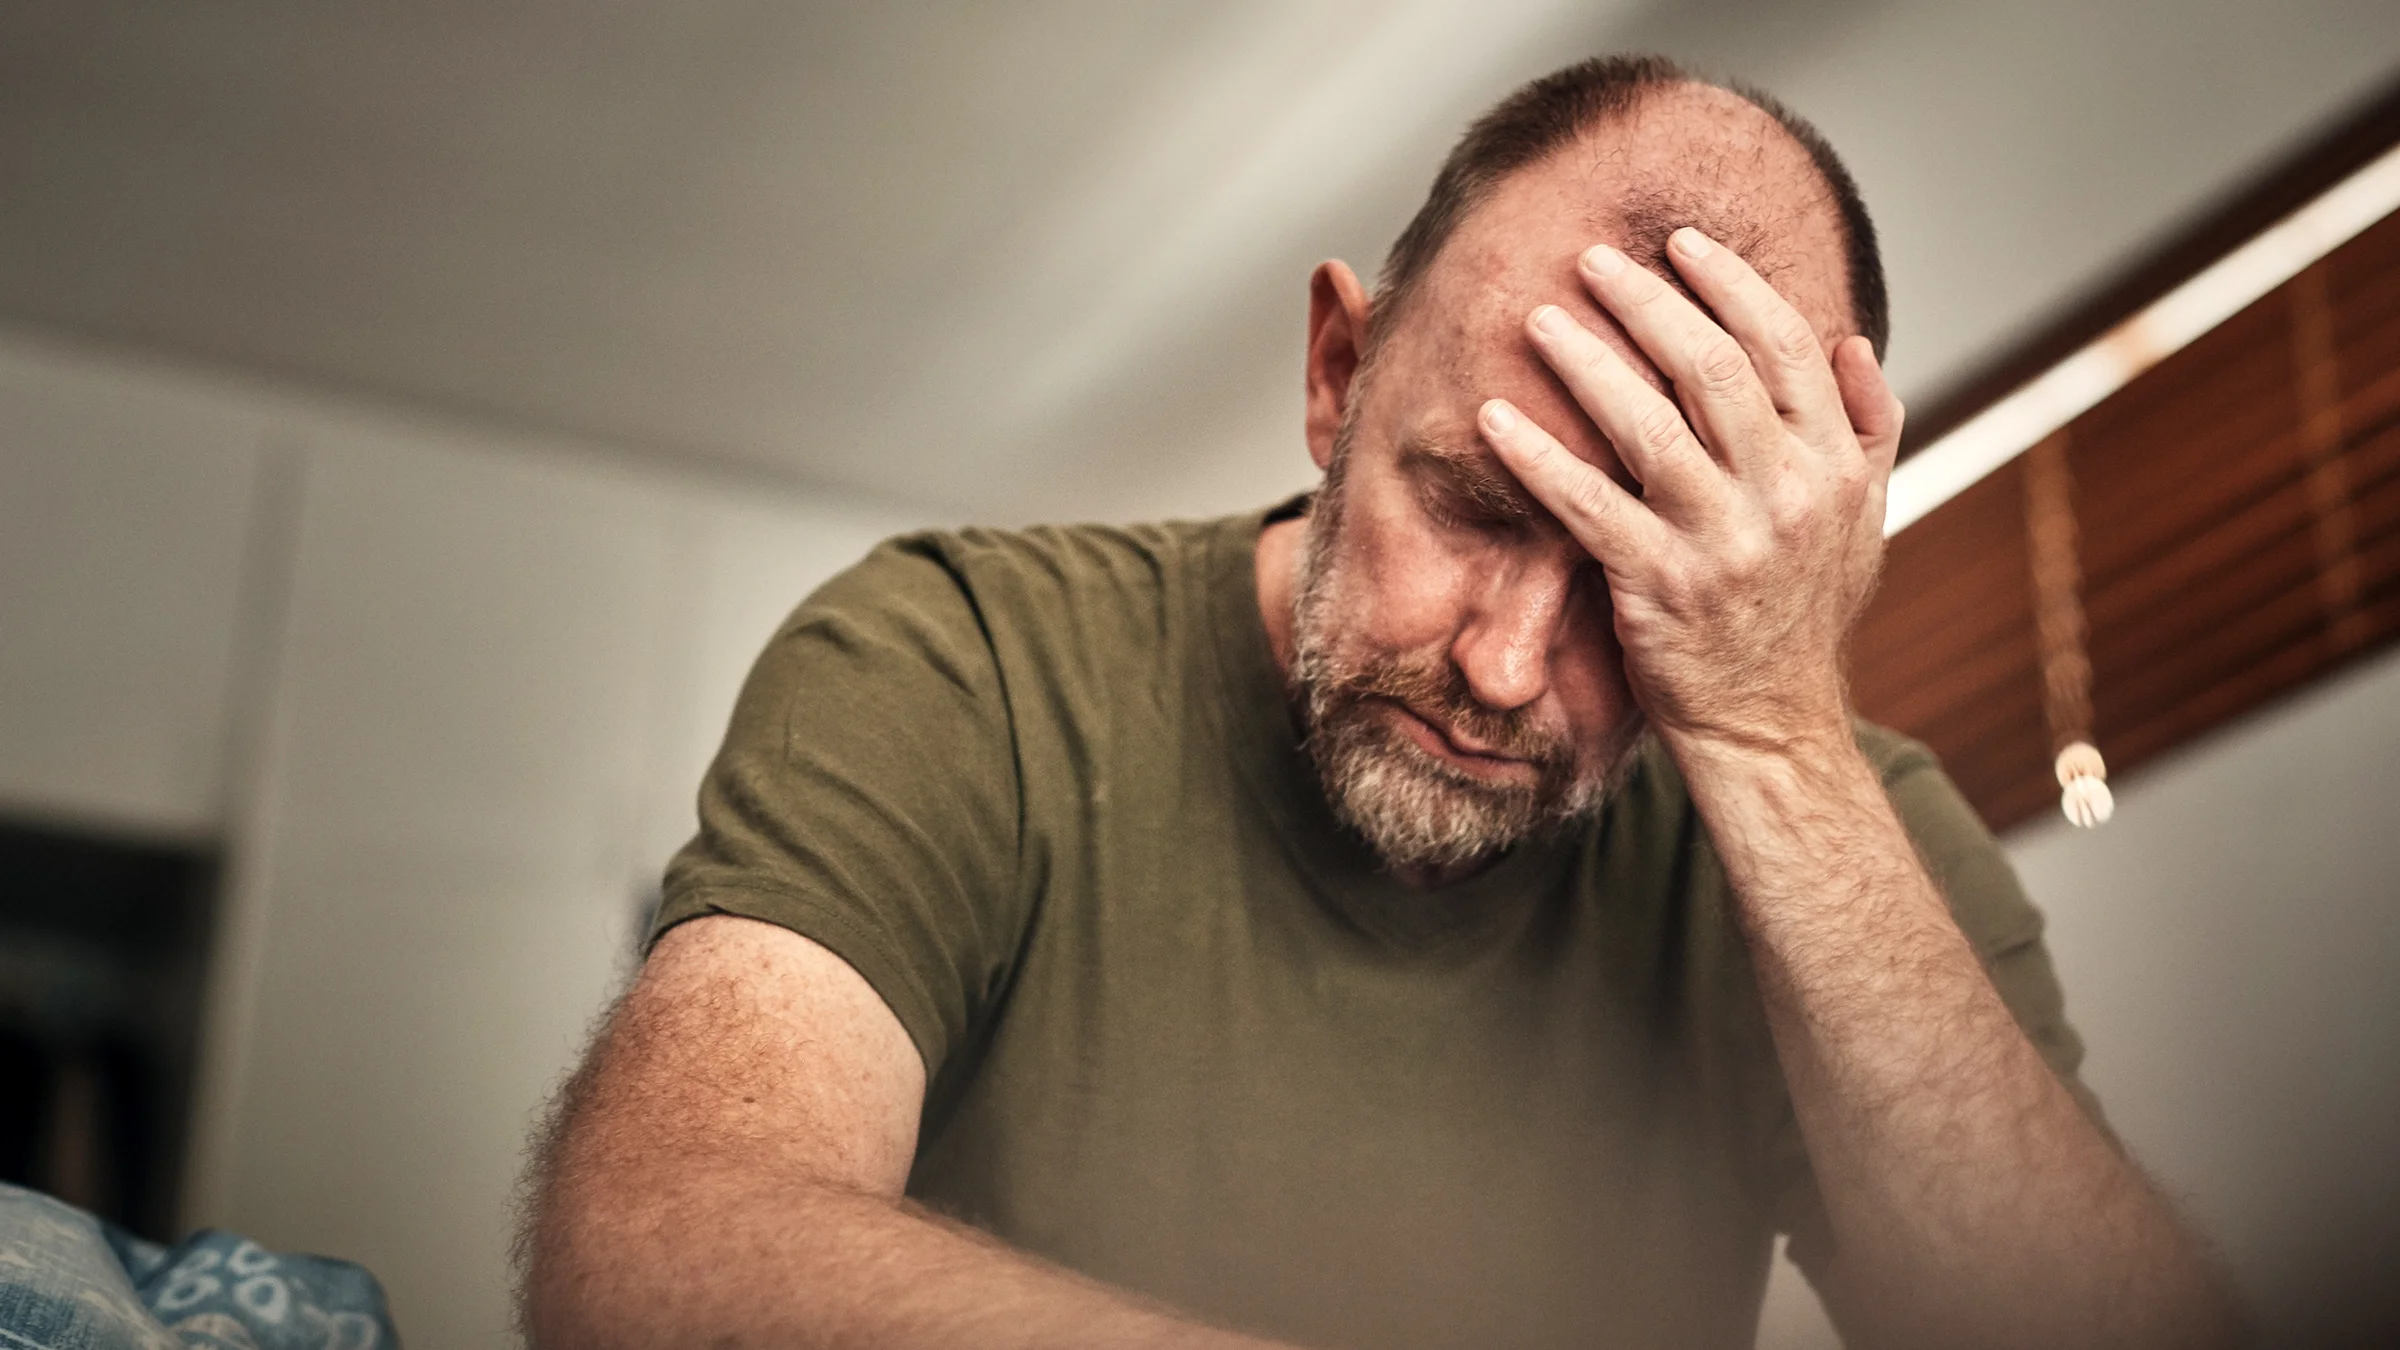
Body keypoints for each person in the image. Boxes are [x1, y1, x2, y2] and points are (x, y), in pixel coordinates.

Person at [519, 55, 2243, 1350]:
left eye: (1651, 594)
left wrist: (1772, 732)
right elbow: (652, 1237)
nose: (1505, 667)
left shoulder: (1838, 819)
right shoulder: (962, 657)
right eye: (1478, 510)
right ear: (1338, 375)